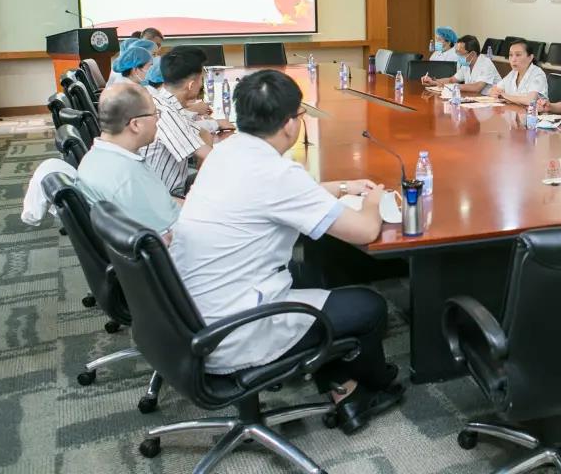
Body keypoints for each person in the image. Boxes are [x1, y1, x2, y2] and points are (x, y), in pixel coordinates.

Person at [169, 70, 403, 434]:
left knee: (310, 275)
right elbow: (365, 230)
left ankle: (337, 379)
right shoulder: (276, 174)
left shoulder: (227, 151)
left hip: (189, 314)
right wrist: (373, 201)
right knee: (369, 306)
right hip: (231, 330)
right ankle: (363, 392)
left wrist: (343, 187)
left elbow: (284, 195)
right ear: (290, 123)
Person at [76, 83, 181, 237]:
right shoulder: (128, 178)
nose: (158, 119)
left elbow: (162, 203)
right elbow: (168, 238)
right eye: (154, 113)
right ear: (136, 124)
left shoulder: (94, 158)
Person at [142, 46, 218, 194]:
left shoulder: (163, 101)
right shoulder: (167, 113)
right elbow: (209, 156)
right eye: (201, 79)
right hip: (163, 197)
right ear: (191, 85)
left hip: (164, 188)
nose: (201, 84)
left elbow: (202, 133)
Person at [422, 34, 501, 95]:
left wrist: (453, 87)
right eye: (457, 53)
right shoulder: (466, 64)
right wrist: (433, 81)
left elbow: (477, 87)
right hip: (477, 100)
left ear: (472, 54)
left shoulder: (486, 63)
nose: (458, 56)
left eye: (460, 53)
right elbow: (451, 80)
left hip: (495, 103)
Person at [489, 39, 548, 105]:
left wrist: (505, 96)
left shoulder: (538, 74)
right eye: (511, 55)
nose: (513, 59)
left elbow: (530, 100)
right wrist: (493, 92)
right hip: (514, 110)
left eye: (518, 55)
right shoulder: (513, 73)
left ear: (530, 58)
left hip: (532, 111)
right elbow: (495, 89)